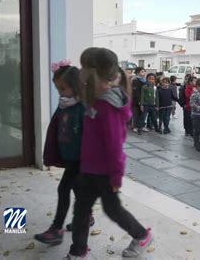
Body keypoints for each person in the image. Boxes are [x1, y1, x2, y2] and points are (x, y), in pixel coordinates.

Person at [67, 48, 152, 259]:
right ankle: (78, 251)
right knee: (81, 212)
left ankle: (142, 235)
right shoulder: (95, 100)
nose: (80, 72)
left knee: (112, 210)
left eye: (83, 68)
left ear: (93, 73)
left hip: (105, 173)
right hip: (88, 170)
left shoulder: (107, 107)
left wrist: (115, 176)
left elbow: (115, 146)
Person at [34, 61, 95, 245]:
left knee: (64, 188)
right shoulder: (64, 104)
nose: (60, 91)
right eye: (57, 87)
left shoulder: (84, 106)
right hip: (69, 155)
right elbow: (56, 128)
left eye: (63, 87)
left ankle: (57, 228)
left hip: (80, 159)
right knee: (76, 188)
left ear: (75, 86)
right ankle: (88, 217)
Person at [131, 67, 147, 133]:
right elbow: (136, 92)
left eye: (144, 71)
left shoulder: (145, 80)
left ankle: (142, 126)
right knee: (136, 113)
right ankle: (135, 126)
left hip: (144, 100)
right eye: (142, 71)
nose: (144, 73)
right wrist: (138, 101)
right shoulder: (135, 80)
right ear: (138, 73)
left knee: (143, 114)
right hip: (136, 100)